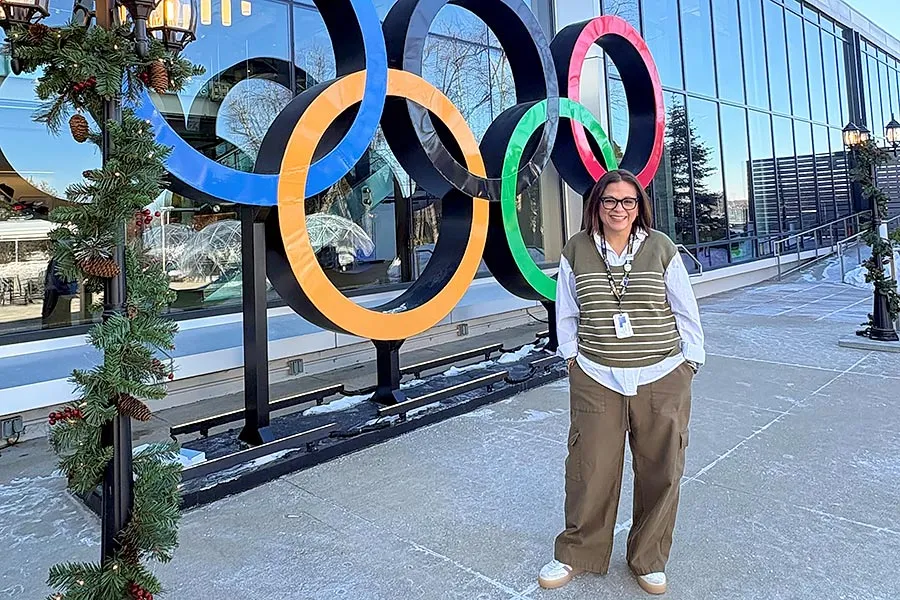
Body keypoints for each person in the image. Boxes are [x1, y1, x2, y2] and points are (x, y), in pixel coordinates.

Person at [538, 169, 705, 595]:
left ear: (639, 207)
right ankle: (577, 552)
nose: (619, 209)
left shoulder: (661, 247)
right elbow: (567, 310)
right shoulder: (576, 249)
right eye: (610, 200)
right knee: (588, 467)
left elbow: (685, 308)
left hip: (661, 373)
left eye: (628, 201)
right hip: (596, 374)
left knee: (661, 468)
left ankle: (648, 558)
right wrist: (571, 358)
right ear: (596, 205)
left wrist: (690, 363)